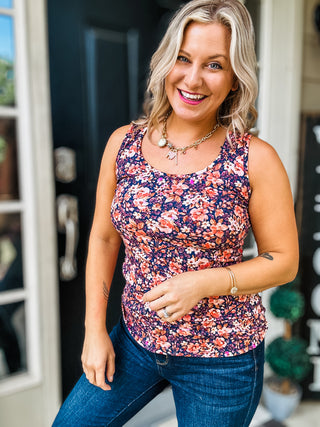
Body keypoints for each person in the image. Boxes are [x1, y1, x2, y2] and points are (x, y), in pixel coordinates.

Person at [52, 0, 299, 426]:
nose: (193, 78)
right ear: (166, 61)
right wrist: (94, 331)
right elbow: (104, 238)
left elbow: (285, 261)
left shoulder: (254, 158)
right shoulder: (123, 144)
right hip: (135, 341)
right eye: (183, 58)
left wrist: (201, 283)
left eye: (214, 65)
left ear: (235, 79)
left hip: (222, 360)